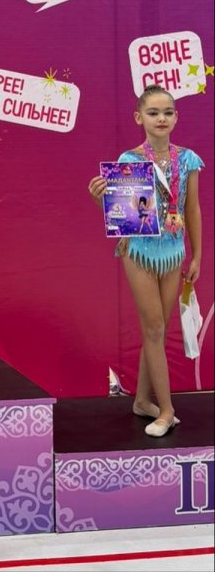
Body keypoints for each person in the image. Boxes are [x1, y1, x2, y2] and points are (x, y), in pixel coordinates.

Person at [88, 84, 203, 437]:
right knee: (153, 329)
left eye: (167, 112)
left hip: (173, 251)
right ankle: (166, 410)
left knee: (159, 330)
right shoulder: (129, 161)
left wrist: (197, 254)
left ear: (176, 117)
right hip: (138, 250)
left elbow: (192, 209)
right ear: (139, 118)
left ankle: (141, 400)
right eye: (153, 113)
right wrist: (100, 199)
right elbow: (122, 212)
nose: (161, 118)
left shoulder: (188, 160)